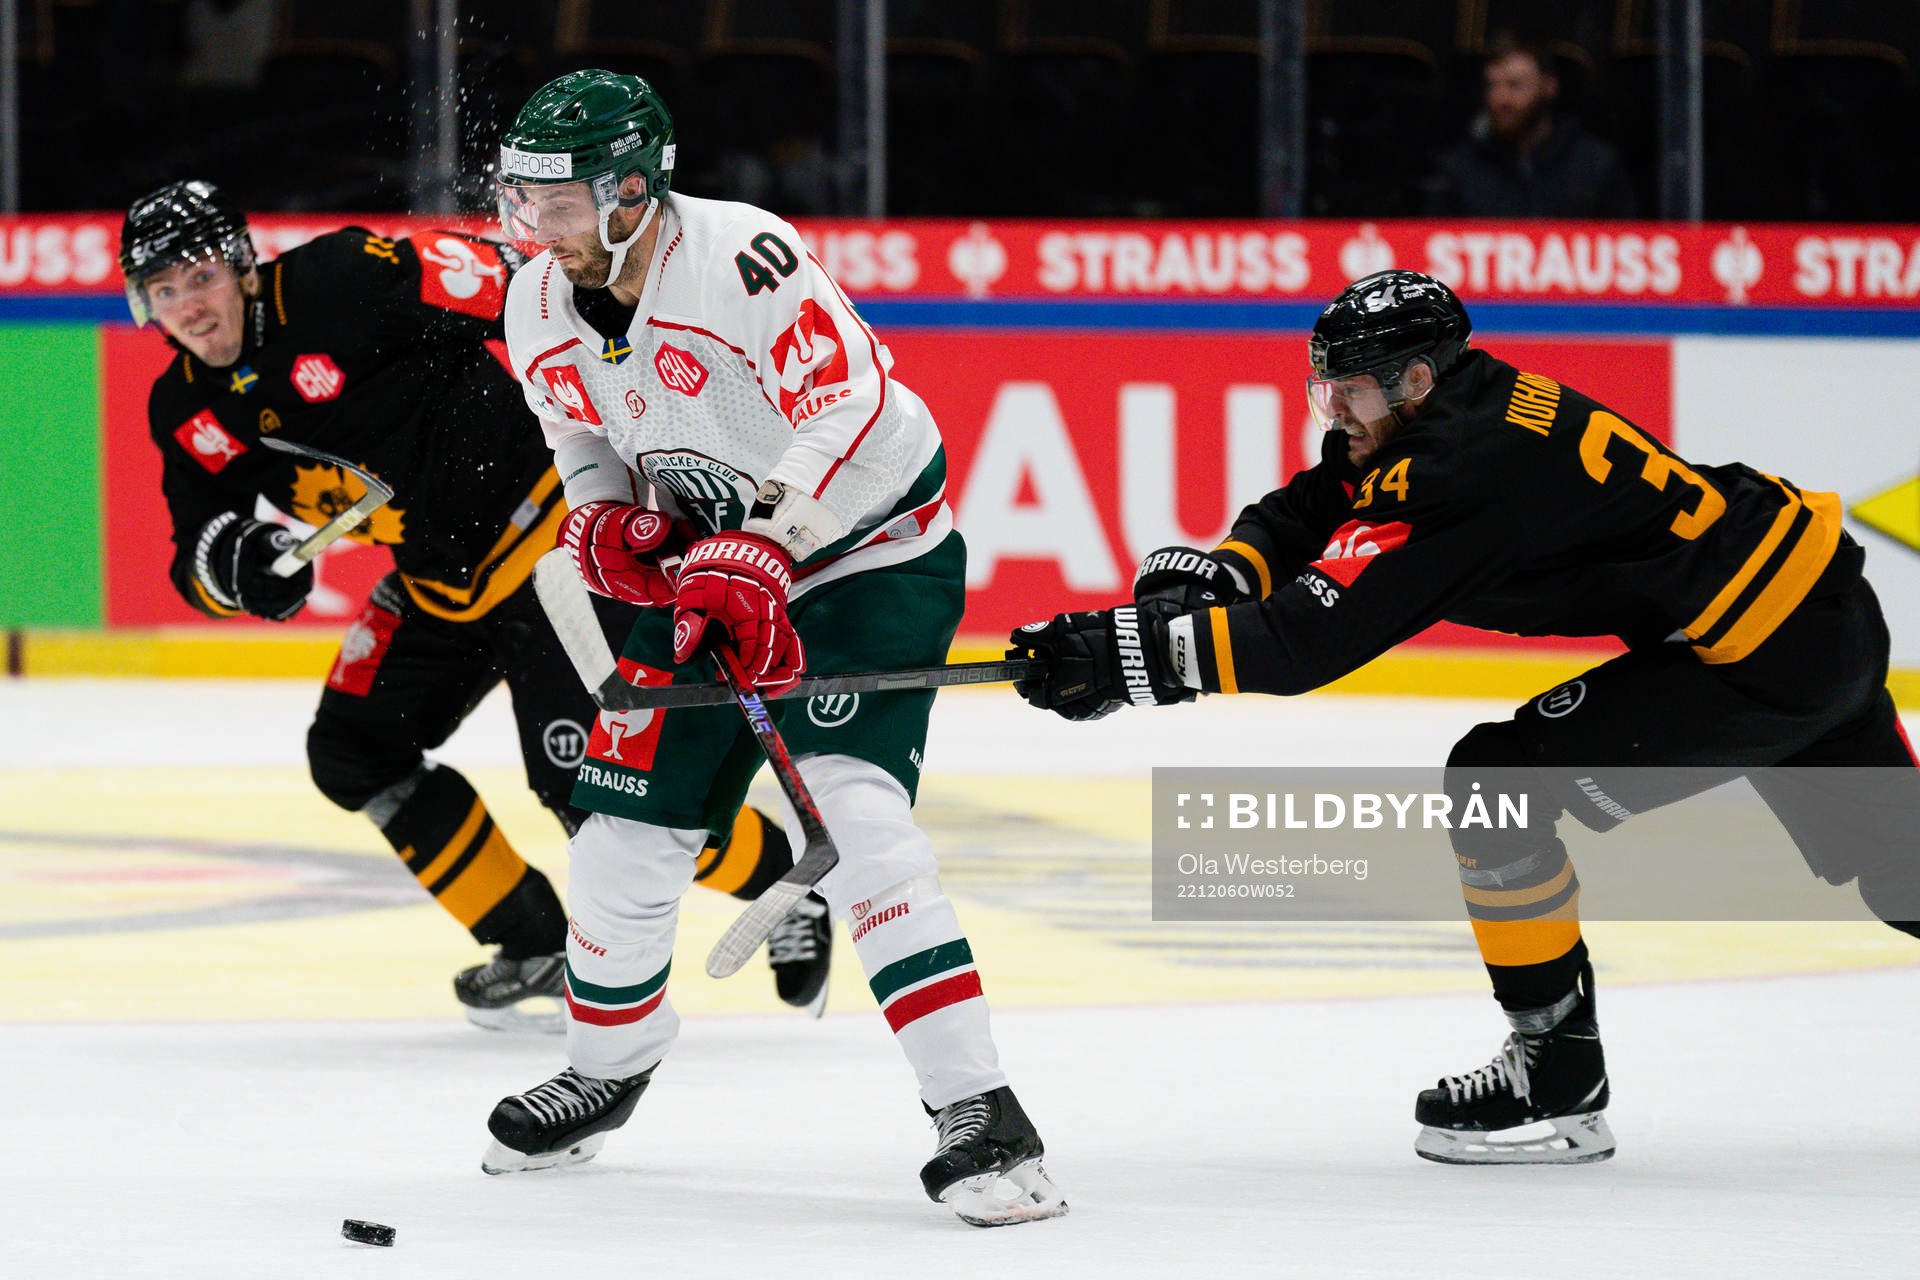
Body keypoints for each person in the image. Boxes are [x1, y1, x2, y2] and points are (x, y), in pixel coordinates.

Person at [1008, 268, 1917, 1165]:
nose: (1334, 410)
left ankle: (1553, 1075)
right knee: (1904, 875)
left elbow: (1305, 646)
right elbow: (1320, 505)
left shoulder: (1460, 469)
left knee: (1499, 786)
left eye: (1350, 390)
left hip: (1764, 656)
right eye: (1324, 384)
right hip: (1816, 610)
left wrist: (1134, 656)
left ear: (1414, 381)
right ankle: (1556, 1067)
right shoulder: (1462, 402)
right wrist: (1229, 570)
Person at [478, 69, 1066, 1227]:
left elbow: (846, 405)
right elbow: (580, 432)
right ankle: (610, 1061)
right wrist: (603, 518)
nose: (528, 227)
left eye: (554, 202)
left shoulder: (743, 254)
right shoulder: (537, 300)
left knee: (856, 823)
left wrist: (770, 539)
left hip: (863, 560)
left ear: (632, 191)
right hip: (712, 565)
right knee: (620, 836)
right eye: (520, 199)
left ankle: (983, 1108)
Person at [121, 180, 830, 1030]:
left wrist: (636, 395)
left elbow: (524, 289)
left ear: (238, 264)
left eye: (198, 276)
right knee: (352, 750)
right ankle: (533, 940)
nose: (188, 306)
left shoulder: (341, 278)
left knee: (595, 792)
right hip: (438, 580)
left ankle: (783, 880)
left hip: (558, 550)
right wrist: (244, 564)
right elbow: (194, 549)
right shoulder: (186, 409)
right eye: (163, 291)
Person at [1423, 32, 1637, 218]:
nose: (1501, 99)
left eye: (1515, 86)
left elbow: (1627, 245)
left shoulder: (1594, 165)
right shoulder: (1458, 169)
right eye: (1493, 85)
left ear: (1549, 87)